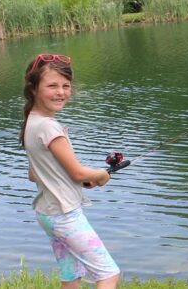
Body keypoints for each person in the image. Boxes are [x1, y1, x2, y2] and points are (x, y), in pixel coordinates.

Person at [19, 53, 121, 289]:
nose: (61, 92)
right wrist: (100, 175)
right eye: (52, 85)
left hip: (48, 213)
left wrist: (78, 180)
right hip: (65, 216)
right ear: (33, 88)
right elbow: (77, 173)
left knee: (71, 275)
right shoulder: (50, 128)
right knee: (108, 274)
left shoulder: (31, 123)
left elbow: (34, 174)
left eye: (66, 86)